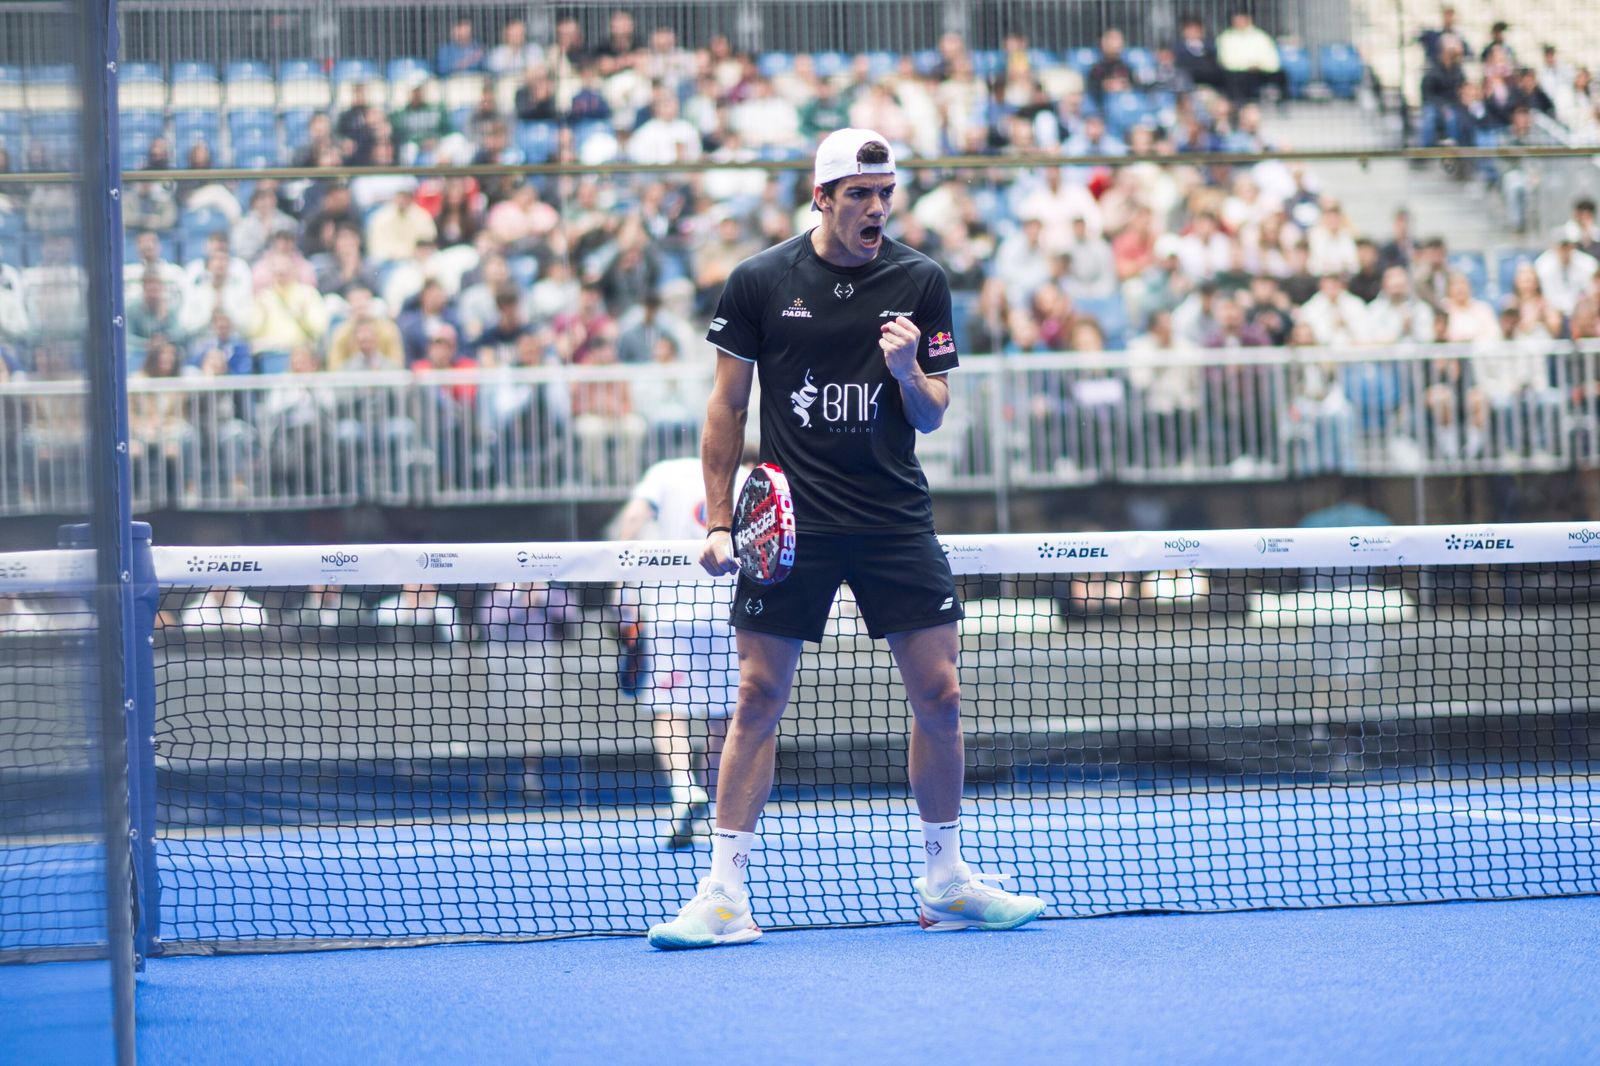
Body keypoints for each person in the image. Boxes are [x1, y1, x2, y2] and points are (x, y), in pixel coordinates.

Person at [647, 129, 1045, 950]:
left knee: (941, 696)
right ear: (822, 196)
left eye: (885, 191)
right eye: (858, 193)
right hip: (791, 518)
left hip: (893, 515)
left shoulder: (920, 280)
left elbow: (932, 412)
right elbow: (726, 406)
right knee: (758, 696)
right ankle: (723, 895)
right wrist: (720, 519)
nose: (875, 207)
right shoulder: (761, 280)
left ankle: (945, 881)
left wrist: (907, 374)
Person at [610, 452, 752, 848]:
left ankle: (682, 791)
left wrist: (621, 579)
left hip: (672, 610)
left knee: (669, 710)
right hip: (728, 610)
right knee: (723, 716)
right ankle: (709, 803)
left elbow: (636, 517)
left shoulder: (663, 473)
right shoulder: (741, 474)